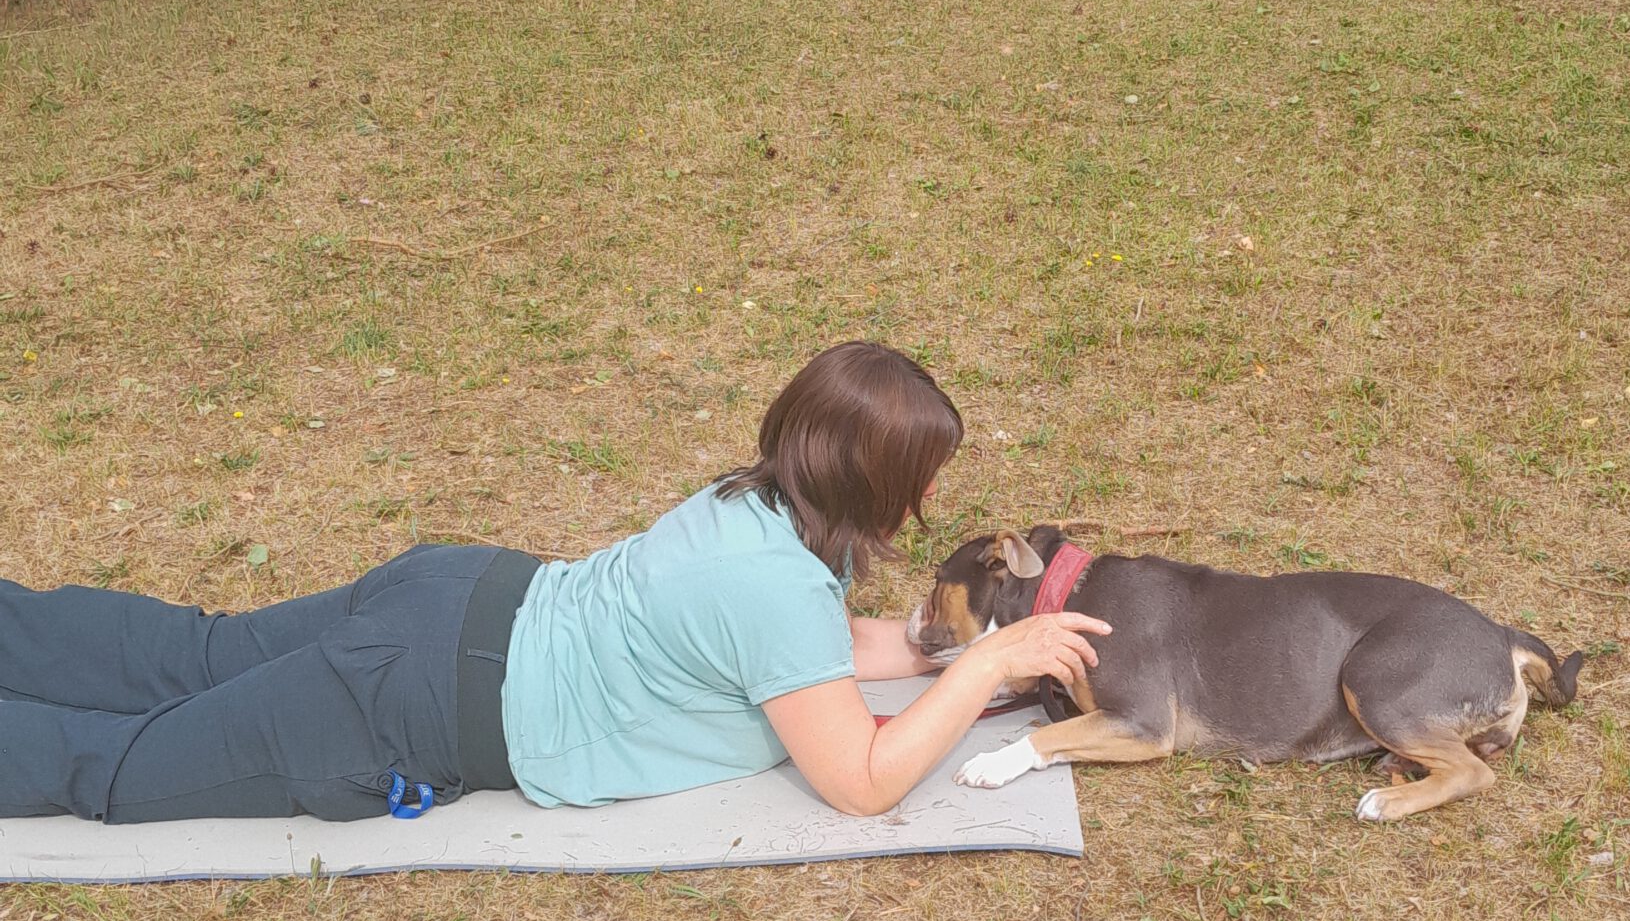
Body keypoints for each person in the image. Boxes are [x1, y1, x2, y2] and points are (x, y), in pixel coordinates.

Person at [0, 342, 1107, 828]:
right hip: (411, 697)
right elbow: (861, 782)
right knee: (121, 767)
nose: (929, 498)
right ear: (871, 479)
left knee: (195, 653)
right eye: (922, 476)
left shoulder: (758, 505)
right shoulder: (775, 587)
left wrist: (946, 646)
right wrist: (988, 672)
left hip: (456, 593)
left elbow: (811, 651)